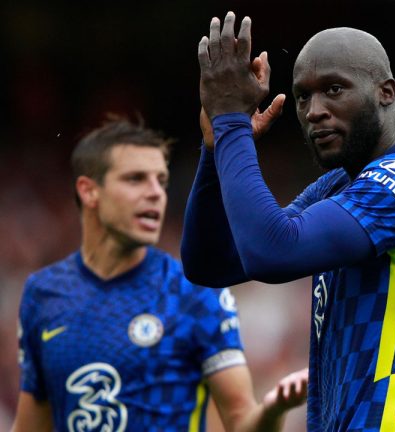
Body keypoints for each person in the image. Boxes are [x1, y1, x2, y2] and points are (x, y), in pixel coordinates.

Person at [182, 12, 395, 431]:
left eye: (334, 89)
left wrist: (232, 121)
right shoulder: (340, 186)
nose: (315, 111)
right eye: (302, 97)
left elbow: (273, 252)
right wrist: (217, 150)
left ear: (386, 92)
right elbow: (212, 263)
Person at [13, 116, 308, 432]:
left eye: (161, 181)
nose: (155, 193)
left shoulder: (194, 291)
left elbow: (241, 423)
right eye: (136, 179)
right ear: (89, 191)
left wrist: (274, 410)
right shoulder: (43, 294)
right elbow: (32, 424)